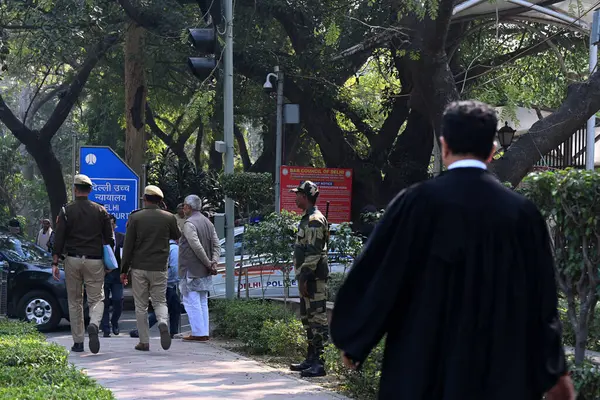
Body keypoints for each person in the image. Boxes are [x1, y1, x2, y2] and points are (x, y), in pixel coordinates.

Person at [329, 100, 574, 400]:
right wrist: (554, 373)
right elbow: (541, 302)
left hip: (419, 375)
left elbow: (380, 274)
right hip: (497, 379)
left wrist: (356, 340)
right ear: (492, 150)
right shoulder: (521, 214)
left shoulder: (413, 205)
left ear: (444, 147)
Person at [52, 174, 114, 354]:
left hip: (72, 259)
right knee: (97, 298)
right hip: (95, 260)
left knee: (75, 301)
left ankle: (78, 342)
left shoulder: (66, 211)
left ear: (75, 190)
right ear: (90, 191)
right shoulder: (101, 210)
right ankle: (94, 323)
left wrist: (55, 261)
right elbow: (109, 239)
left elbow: (59, 238)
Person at [120, 185, 180, 352]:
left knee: (141, 305)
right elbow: (177, 236)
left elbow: (128, 245)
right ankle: (162, 322)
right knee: (160, 301)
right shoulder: (168, 218)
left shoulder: (135, 217)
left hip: (139, 267)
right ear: (160, 201)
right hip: (160, 267)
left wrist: (123, 270)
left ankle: (144, 342)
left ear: (145, 199)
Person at [288, 181, 330, 378]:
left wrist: (304, 278)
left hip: (314, 280)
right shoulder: (307, 219)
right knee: (308, 320)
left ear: (305, 197)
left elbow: (313, 254)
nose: (295, 197)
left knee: (318, 320)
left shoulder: (314, 220)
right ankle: (311, 359)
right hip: (307, 279)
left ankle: (320, 363)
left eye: (297, 194)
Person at [179, 194, 219, 342]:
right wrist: (213, 261)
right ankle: (203, 331)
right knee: (202, 300)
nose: (183, 208)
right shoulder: (208, 223)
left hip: (192, 269)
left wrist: (209, 263)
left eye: (184, 205)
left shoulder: (189, 224)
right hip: (205, 270)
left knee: (191, 300)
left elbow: (196, 246)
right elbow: (216, 244)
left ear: (188, 207)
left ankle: (198, 333)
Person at [130, 239, 181, 339]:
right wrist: (176, 280)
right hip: (168, 283)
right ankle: (157, 327)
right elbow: (175, 268)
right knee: (161, 307)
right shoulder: (174, 249)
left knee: (174, 308)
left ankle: (173, 332)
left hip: (160, 280)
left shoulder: (162, 247)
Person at [101, 215, 124, 337]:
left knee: (118, 299)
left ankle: (114, 321)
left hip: (116, 275)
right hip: (103, 274)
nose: (109, 227)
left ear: (114, 225)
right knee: (103, 301)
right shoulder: (100, 238)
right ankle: (105, 328)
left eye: (111, 224)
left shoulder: (121, 238)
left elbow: (124, 256)